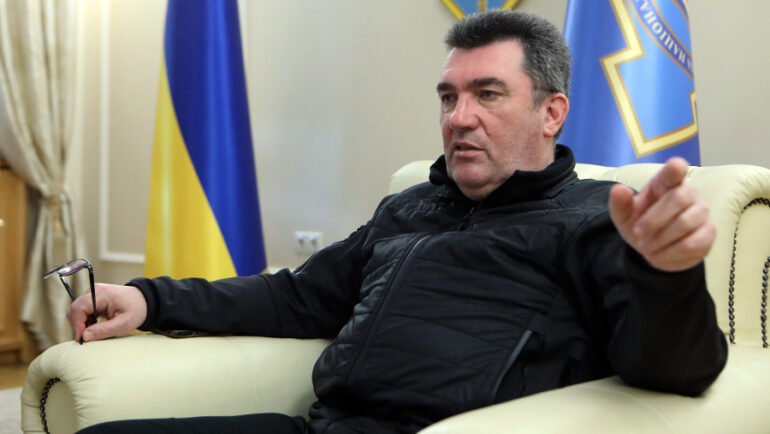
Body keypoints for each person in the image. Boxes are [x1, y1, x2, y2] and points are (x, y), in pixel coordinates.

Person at [68, 10, 727, 434]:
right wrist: (150, 298)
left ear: (551, 113)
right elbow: (297, 297)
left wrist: (665, 274)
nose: (458, 118)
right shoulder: (410, 206)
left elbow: (673, 372)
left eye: (487, 94)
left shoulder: (598, 218)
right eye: (448, 97)